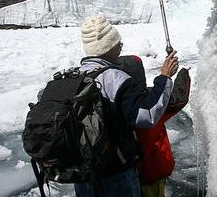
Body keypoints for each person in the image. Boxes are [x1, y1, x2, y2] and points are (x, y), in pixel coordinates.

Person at [74, 14, 179, 197]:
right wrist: (165, 76)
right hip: (115, 173)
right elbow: (146, 114)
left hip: (83, 175)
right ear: (108, 47)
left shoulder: (73, 77)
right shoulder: (115, 78)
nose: (120, 48)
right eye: (118, 44)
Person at [115, 55, 191, 197]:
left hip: (122, 175)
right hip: (151, 174)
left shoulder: (112, 102)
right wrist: (183, 74)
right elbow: (178, 99)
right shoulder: (152, 101)